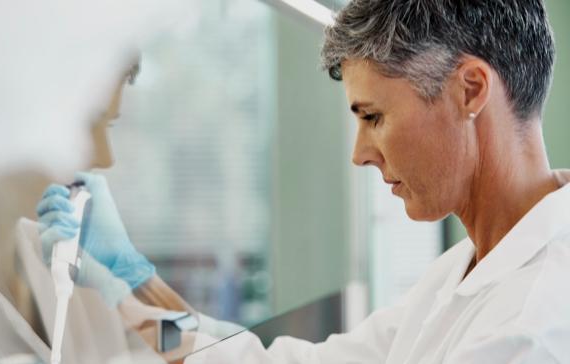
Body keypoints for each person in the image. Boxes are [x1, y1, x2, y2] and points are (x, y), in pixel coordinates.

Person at [37, 0, 570, 362]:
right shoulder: (466, 269)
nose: (361, 154)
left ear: (471, 90)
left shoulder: (530, 326)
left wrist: (126, 300)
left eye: (374, 117)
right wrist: (133, 283)